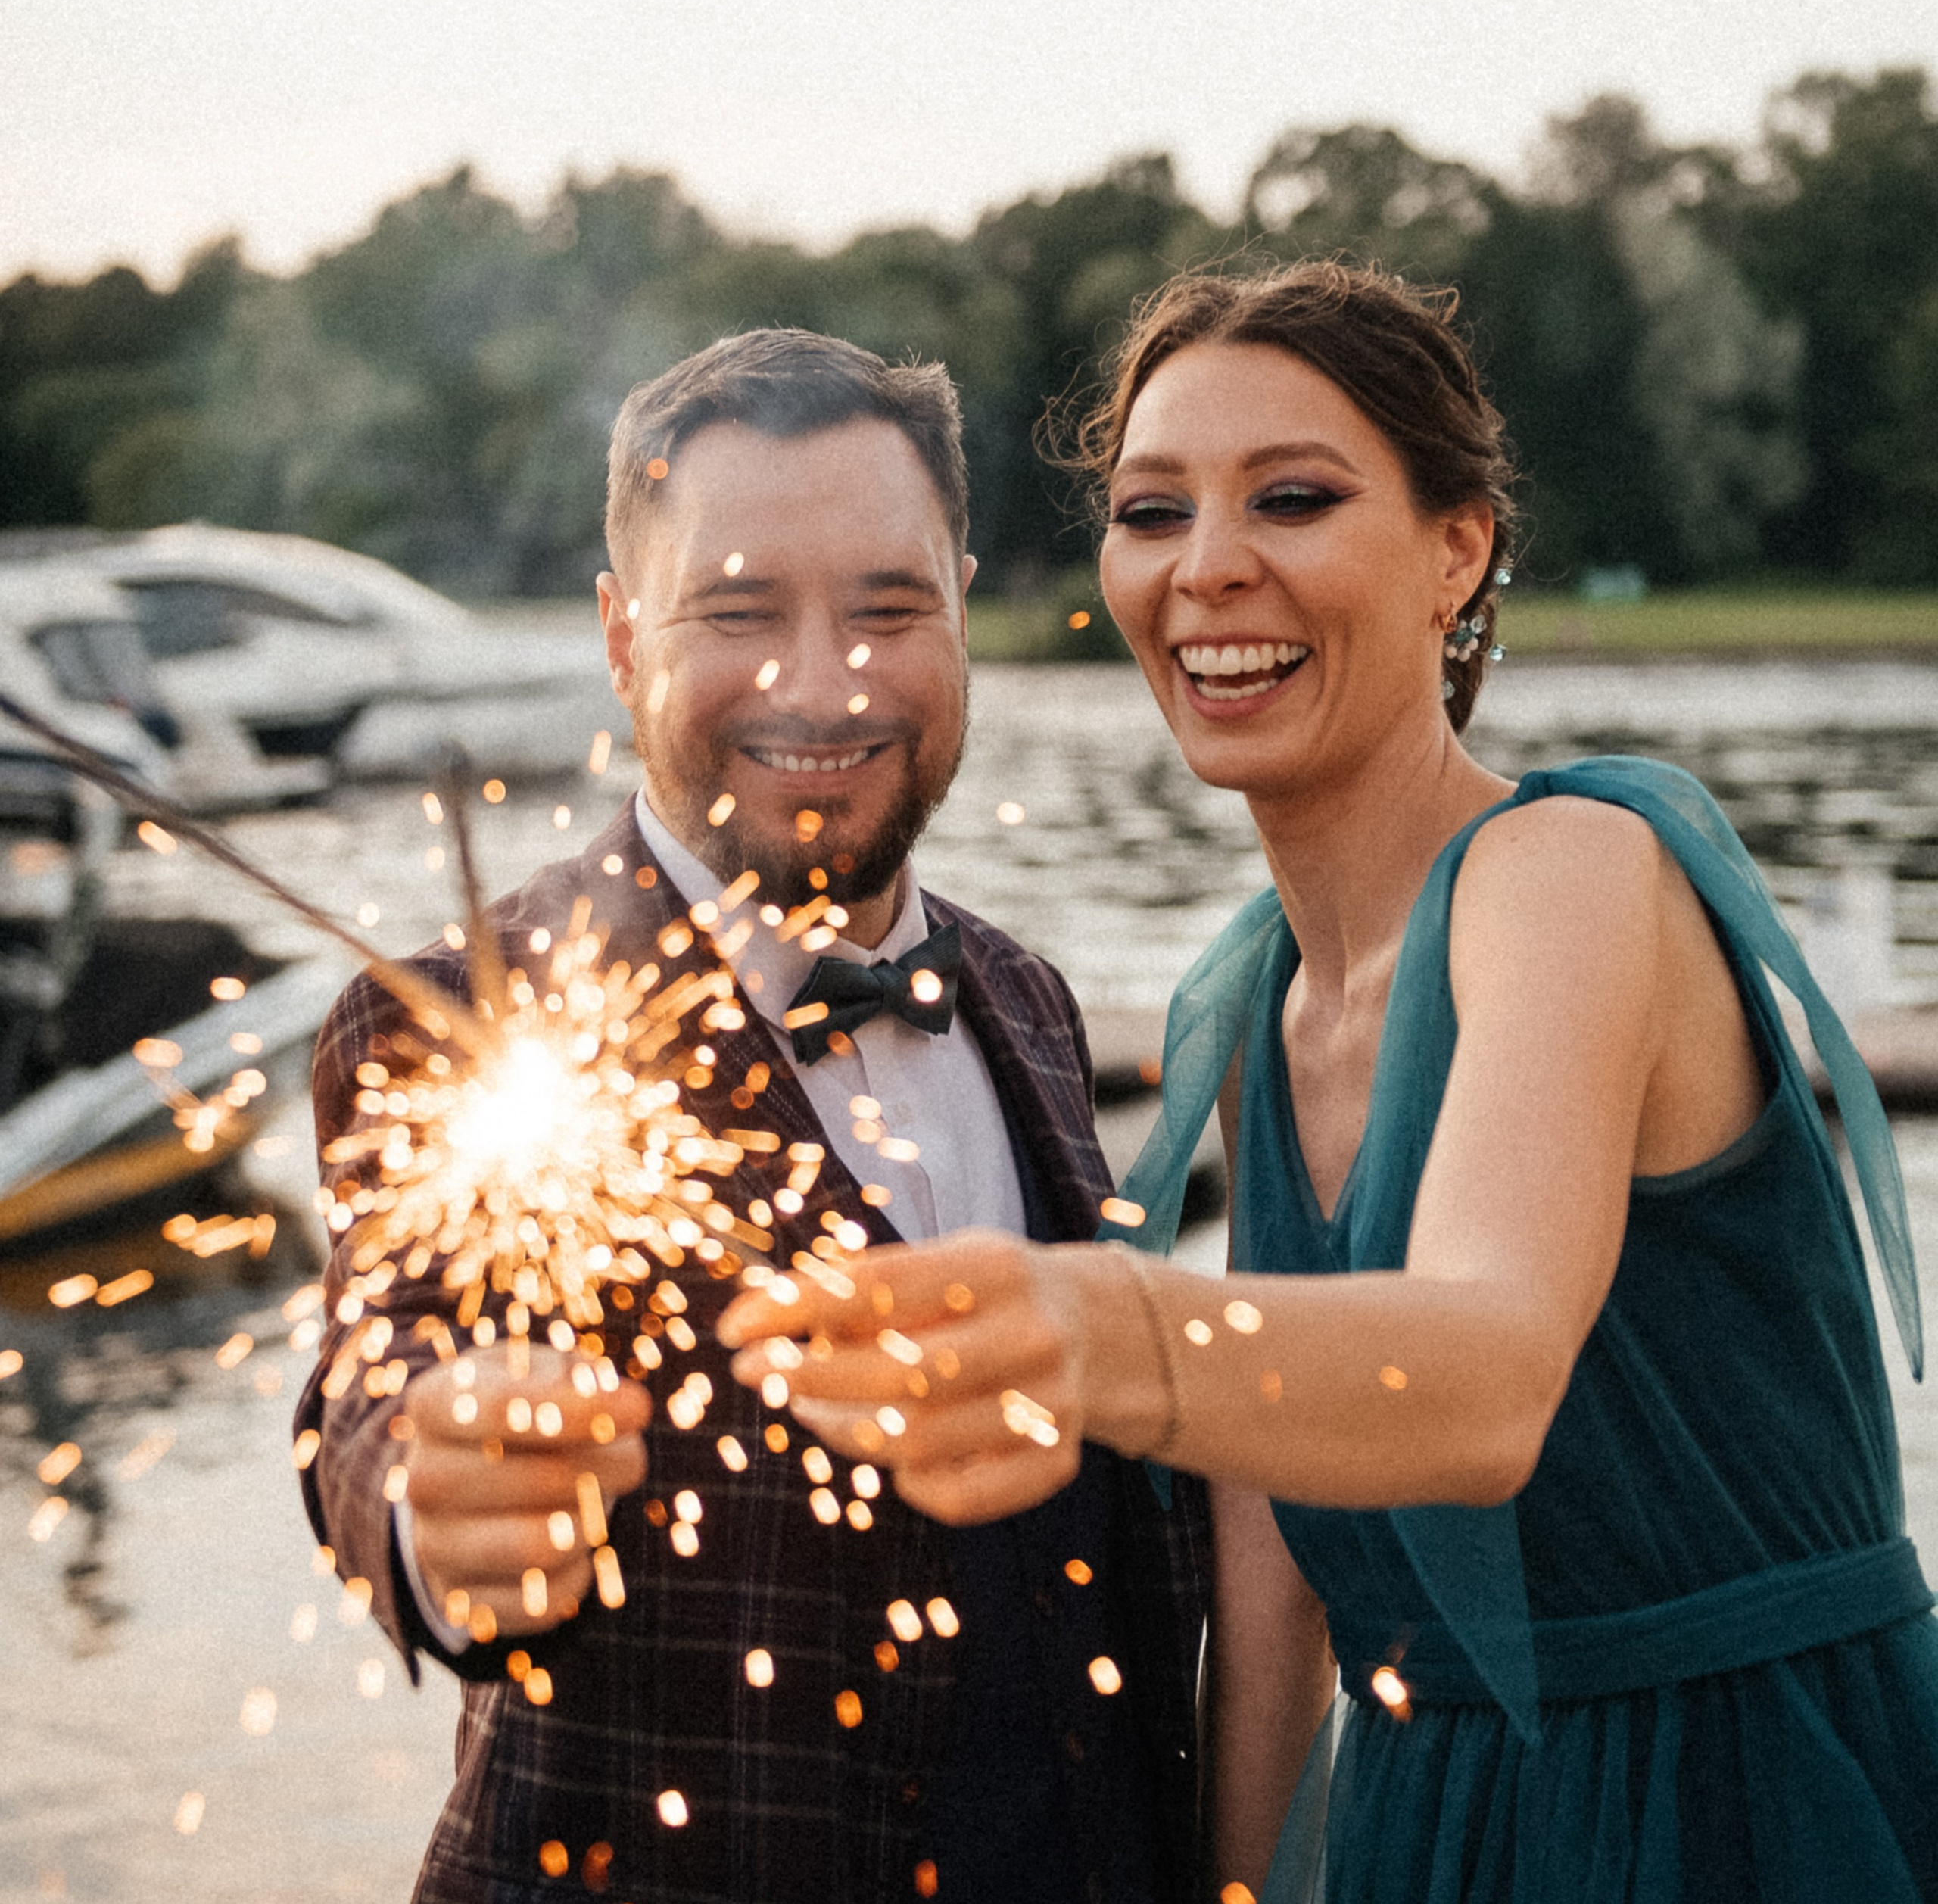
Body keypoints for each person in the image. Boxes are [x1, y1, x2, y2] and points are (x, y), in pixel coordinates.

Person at [720, 265, 1938, 1902]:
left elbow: (1488, 1375)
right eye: (1152, 510)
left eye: (1290, 497)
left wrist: (1095, 1327)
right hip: (1423, 1826)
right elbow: (1277, 1530)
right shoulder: (1253, 1002)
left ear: (1458, 548)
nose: (1207, 565)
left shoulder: (1571, 869)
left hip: (1729, 1803)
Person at [294, 329, 1211, 1904]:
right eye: (736, 611)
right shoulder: (452, 1013)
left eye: (886, 606)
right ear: (617, 634)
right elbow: (382, 1382)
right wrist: (438, 1520)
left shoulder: (1032, 999)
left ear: (961, 612)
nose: (822, 678)